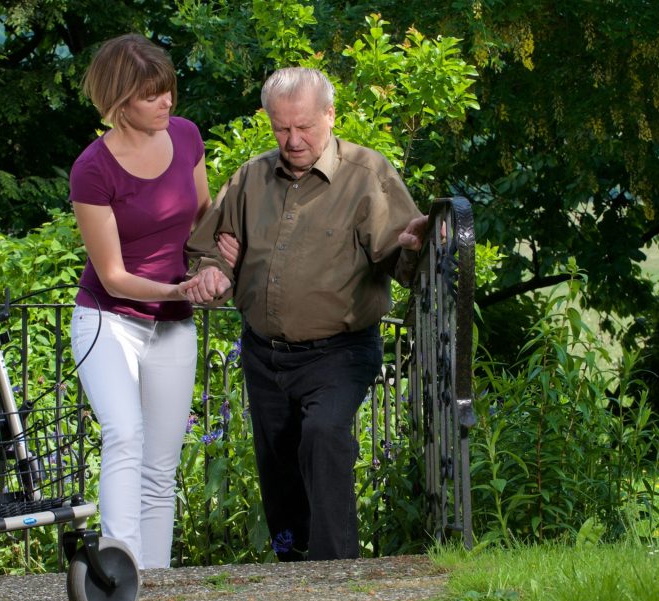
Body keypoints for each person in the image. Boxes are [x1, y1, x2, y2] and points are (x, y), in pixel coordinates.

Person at [184, 67, 428, 561]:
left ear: (330, 116)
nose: (293, 140)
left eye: (304, 127)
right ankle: (291, 567)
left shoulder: (368, 175)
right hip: (264, 354)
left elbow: (401, 259)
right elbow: (209, 248)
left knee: (325, 436)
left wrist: (413, 249)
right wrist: (211, 270)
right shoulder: (252, 176)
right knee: (278, 465)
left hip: (340, 352)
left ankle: (335, 568)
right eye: (281, 128)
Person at [68, 34, 211, 569]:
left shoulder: (187, 137)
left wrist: (215, 265)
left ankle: (155, 581)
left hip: (173, 324)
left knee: (160, 464)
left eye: (168, 91)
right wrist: (176, 288)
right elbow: (113, 275)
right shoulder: (93, 169)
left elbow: (202, 219)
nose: (167, 102)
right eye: (152, 95)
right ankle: (118, 574)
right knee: (124, 434)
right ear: (119, 100)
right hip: (109, 319)